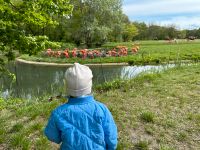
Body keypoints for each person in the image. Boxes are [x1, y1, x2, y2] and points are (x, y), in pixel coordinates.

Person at [44, 63, 118, 150]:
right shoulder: (101, 109)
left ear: (67, 86)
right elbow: (111, 137)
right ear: (89, 85)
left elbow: (52, 136)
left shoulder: (58, 112)